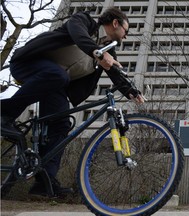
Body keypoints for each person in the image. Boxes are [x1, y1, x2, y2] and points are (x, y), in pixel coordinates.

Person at [1, 7, 144, 197]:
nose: (125, 36)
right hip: (29, 64)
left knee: (61, 125)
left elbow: (115, 73)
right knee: (58, 75)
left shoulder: (108, 48)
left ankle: (44, 183)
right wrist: (98, 53)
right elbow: (77, 35)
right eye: (126, 30)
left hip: (54, 84)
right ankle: (5, 114)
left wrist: (132, 92)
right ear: (115, 23)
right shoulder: (83, 21)